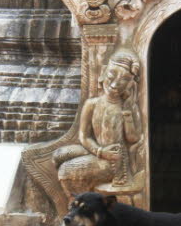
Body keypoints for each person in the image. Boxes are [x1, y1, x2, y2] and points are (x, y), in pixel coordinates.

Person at [53, 48, 143, 202]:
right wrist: (99, 151)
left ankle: (80, 204)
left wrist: (127, 112)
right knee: (59, 155)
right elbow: (84, 136)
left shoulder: (128, 107)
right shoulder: (92, 103)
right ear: (103, 73)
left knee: (66, 170)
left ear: (130, 85)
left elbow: (133, 138)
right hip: (99, 150)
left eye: (123, 80)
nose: (115, 84)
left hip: (115, 160)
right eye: (111, 76)